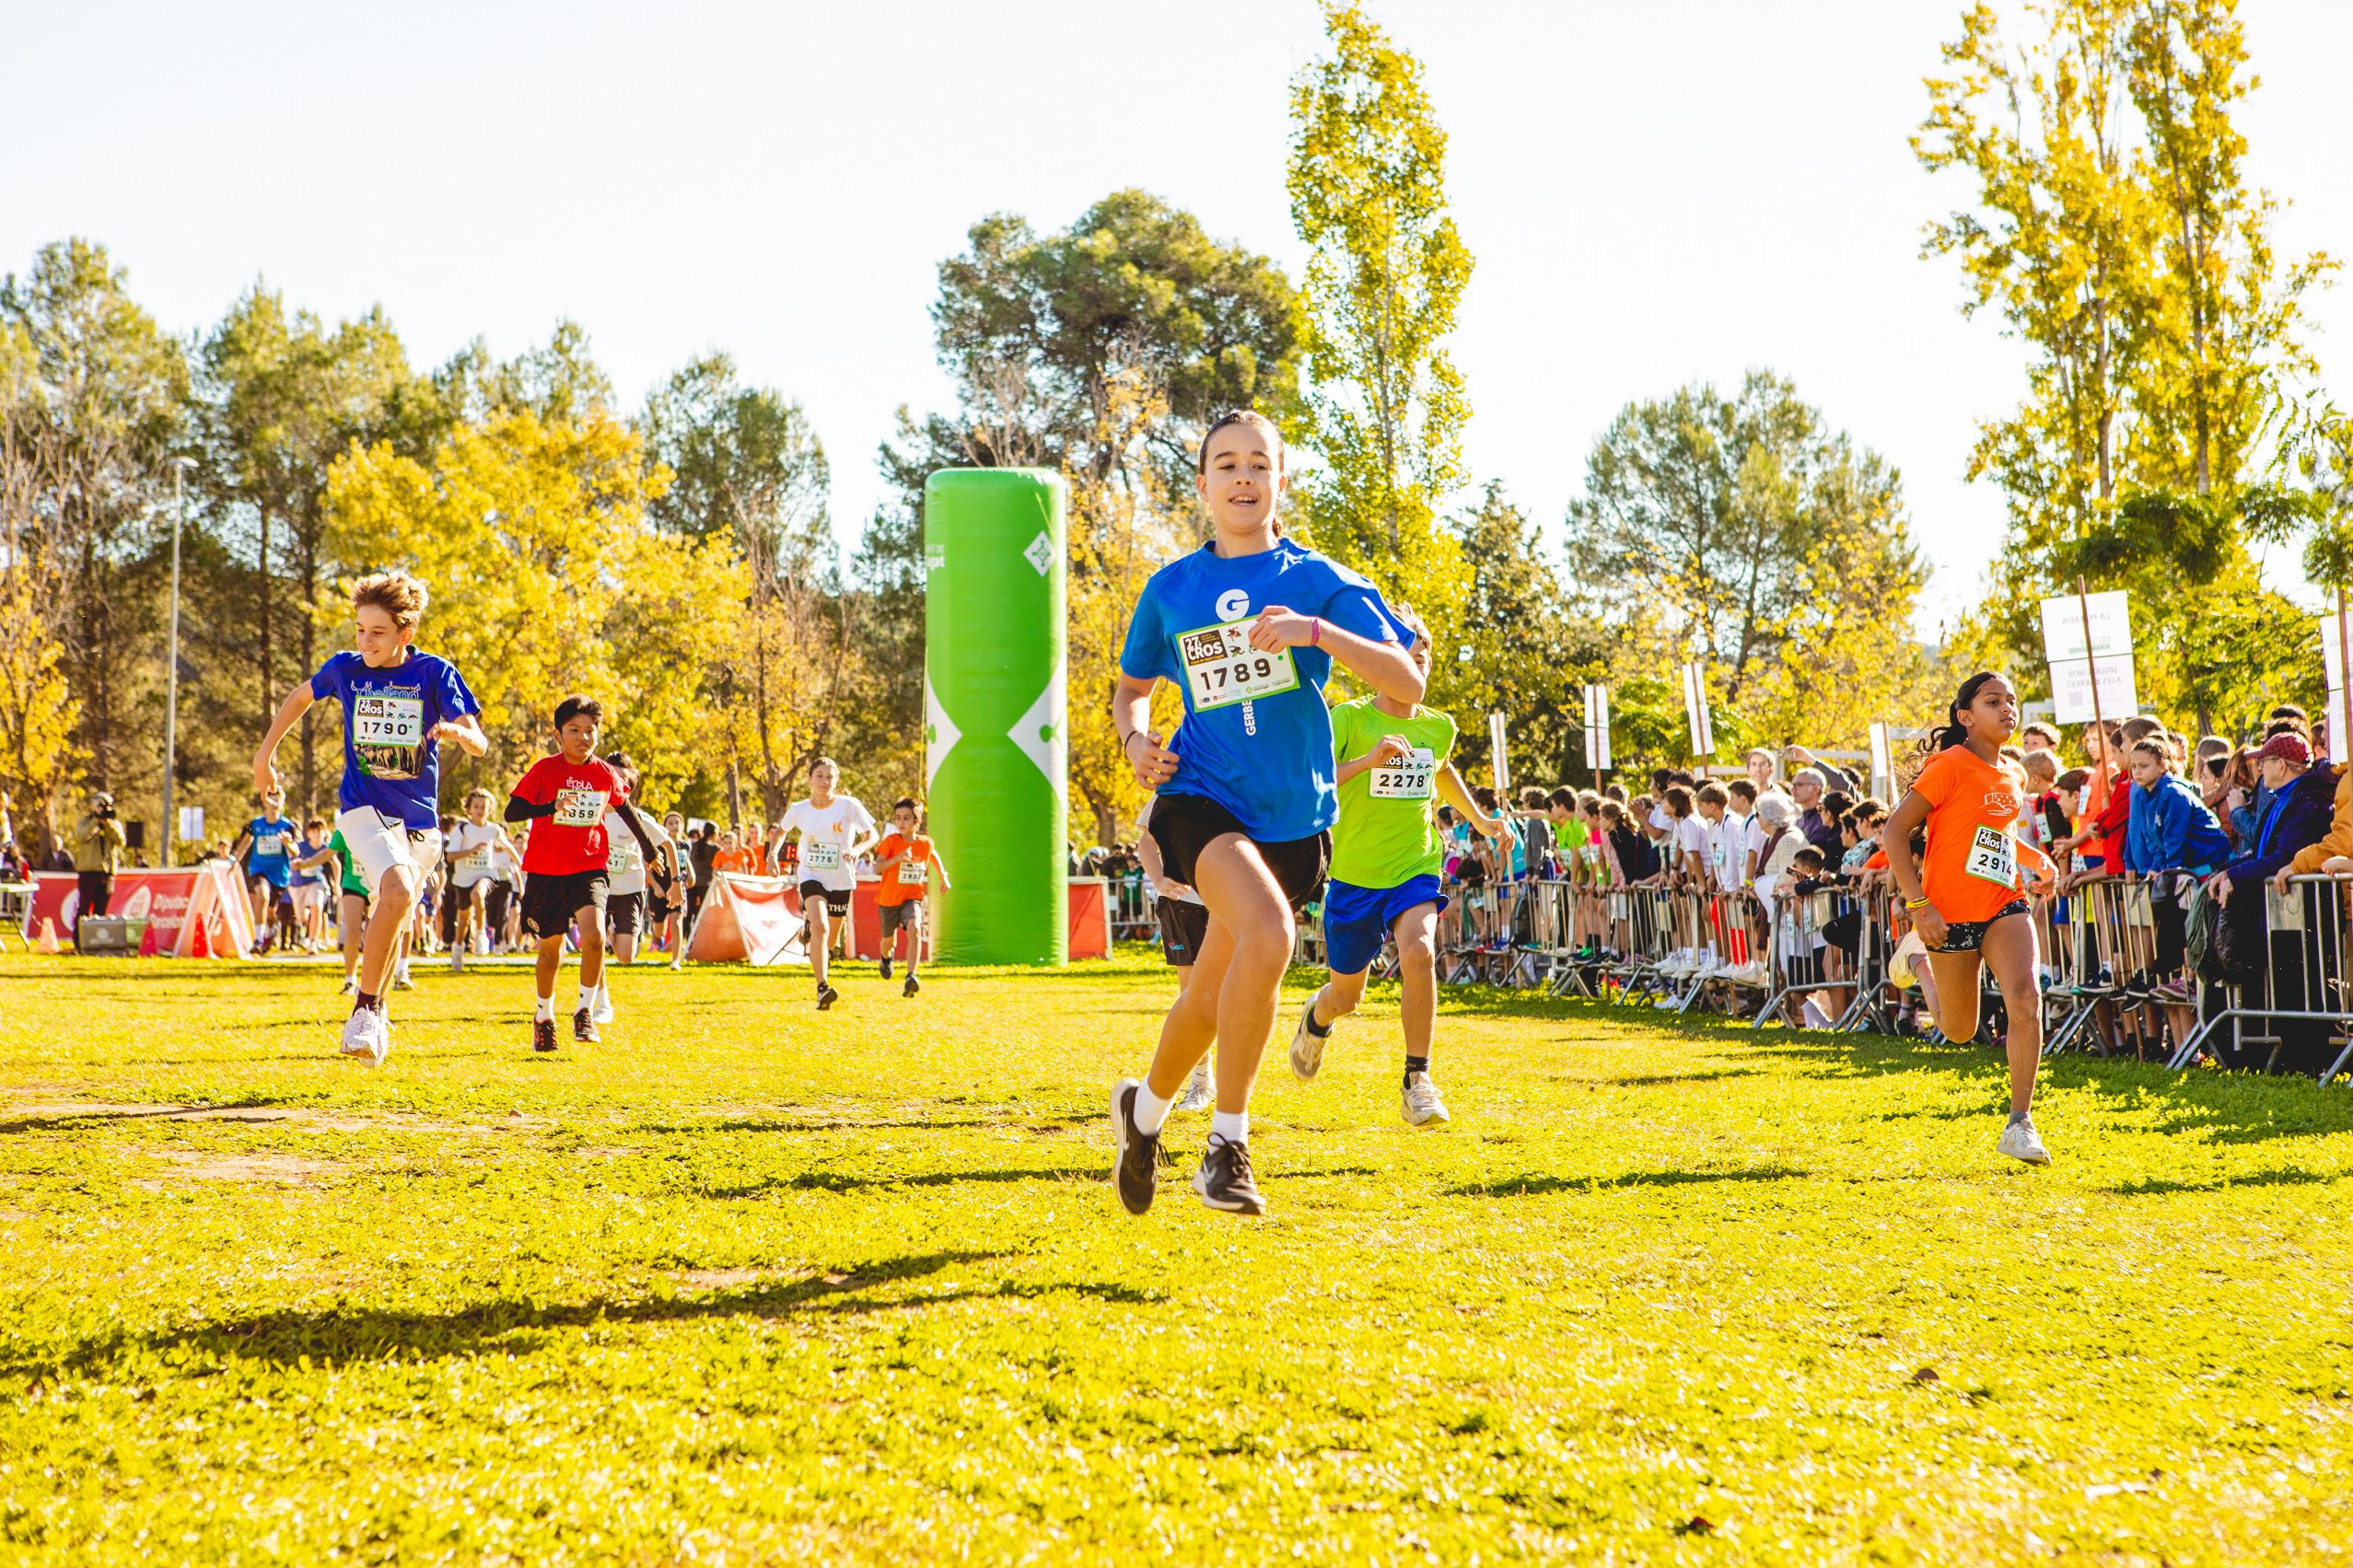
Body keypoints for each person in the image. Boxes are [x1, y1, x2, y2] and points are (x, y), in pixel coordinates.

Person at [1107, 408, 1421, 1218]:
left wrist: (1312, 630)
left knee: (1206, 999)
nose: (1242, 477)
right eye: (1225, 464)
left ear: (1280, 479)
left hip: (1293, 817)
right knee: (1273, 937)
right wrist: (1137, 742)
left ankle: (1141, 1116)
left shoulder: (1319, 579)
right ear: (1204, 483)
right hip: (1198, 795)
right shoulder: (1170, 588)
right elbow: (1132, 689)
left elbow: (1405, 685)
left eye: (1258, 464)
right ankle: (1227, 1144)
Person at [252, 572, 486, 1065]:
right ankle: (363, 1009)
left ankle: (377, 1007)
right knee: (398, 891)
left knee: (397, 911)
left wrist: (459, 735)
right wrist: (264, 756)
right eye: (360, 629)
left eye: (377, 632)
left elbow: (478, 738)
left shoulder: (435, 673)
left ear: (406, 633)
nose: (365, 641)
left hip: (420, 823)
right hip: (362, 810)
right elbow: (299, 698)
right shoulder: (346, 669)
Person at [1288, 607, 1507, 1127]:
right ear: (1382, 663)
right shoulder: (1349, 718)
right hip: (1356, 876)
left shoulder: (1440, 727)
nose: (1419, 671)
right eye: (1409, 659)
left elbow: (1443, 767)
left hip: (1415, 864)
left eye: (1425, 661)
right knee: (1346, 996)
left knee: (1420, 949)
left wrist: (1479, 818)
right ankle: (1316, 1020)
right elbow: (1311, 780)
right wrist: (1367, 762)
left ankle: (1418, 1078)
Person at [1881, 672, 2057, 1166]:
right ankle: (1918, 962)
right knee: (1960, 1029)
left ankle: (2020, 1122)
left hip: (2005, 901)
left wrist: (2034, 859)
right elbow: (1894, 834)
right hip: (1946, 911)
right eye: (1993, 701)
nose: (2007, 709)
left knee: (2026, 996)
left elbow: (1992, 833)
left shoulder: (2015, 772)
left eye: (2011, 701)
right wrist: (1919, 907)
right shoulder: (1948, 765)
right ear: (1966, 716)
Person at [505, 695, 664, 1051]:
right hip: (546, 871)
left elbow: (627, 812)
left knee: (593, 938)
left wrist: (650, 851)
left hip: (589, 866)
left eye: (590, 731)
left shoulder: (604, 773)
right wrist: (551, 806)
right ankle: (544, 1016)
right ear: (558, 735)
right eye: (574, 730)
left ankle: (585, 1011)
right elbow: (512, 812)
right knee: (551, 953)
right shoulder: (545, 770)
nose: (583, 737)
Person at [777, 757, 879, 1011]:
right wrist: (771, 854)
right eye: (819, 775)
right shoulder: (799, 809)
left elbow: (872, 835)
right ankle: (822, 987)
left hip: (841, 878)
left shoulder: (849, 805)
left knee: (830, 941)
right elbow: (781, 830)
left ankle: (809, 931)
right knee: (821, 927)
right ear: (809, 779)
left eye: (829, 776)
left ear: (836, 780)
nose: (824, 781)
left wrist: (857, 849)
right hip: (811, 874)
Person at [1136, 794, 1217, 1113]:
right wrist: (1159, 879)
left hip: (1228, 903)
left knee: (1232, 995)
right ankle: (1201, 1083)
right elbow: (1146, 841)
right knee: (1193, 997)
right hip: (1181, 906)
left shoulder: (1243, 771)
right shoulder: (1175, 784)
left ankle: (1235, 1095)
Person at [598, 752, 681, 992]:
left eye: (622, 778)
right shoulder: (594, 813)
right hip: (596, 888)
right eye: (611, 775)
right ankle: (600, 999)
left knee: (625, 955)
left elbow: (668, 844)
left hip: (629, 888)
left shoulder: (638, 818)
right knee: (594, 944)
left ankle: (615, 933)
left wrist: (676, 882)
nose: (616, 782)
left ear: (630, 786)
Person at [873, 796, 950, 997]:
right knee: (888, 942)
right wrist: (898, 859)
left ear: (917, 822)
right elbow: (877, 868)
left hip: (912, 896)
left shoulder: (924, 843)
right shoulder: (890, 842)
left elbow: (933, 855)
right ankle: (885, 957)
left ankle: (911, 976)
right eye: (898, 818)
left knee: (915, 928)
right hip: (889, 900)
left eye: (906, 818)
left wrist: (943, 876)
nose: (901, 822)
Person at [443, 790, 518, 972]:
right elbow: (450, 857)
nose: (480, 810)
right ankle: (458, 950)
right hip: (463, 878)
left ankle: (481, 935)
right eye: (476, 806)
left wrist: (522, 864)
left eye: (484, 807)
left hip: (486, 874)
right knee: (463, 919)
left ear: (490, 809)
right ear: (468, 808)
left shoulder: (494, 830)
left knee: (478, 894)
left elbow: (508, 847)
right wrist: (473, 850)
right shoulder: (461, 830)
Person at [232, 789, 298, 955]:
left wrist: (286, 843)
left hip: (279, 874)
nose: (274, 803)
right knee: (262, 896)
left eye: (278, 800)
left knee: (271, 912)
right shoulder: (255, 824)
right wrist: (234, 862)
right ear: (264, 803)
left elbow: (296, 851)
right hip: (258, 868)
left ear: (283, 803)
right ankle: (258, 940)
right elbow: (243, 844)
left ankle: (271, 929)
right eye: (271, 800)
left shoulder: (288, 826)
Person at [71, 791, 126, 937]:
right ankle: (79, 940)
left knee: (101, 910)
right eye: (100, 805)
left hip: (107, 872)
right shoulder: (84, 822)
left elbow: (121, 841)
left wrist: (107, 825)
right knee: (84, 908)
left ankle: (97, 940)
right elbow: (81, 836)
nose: (103, 809)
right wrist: (95, 822)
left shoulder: (114, 824)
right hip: (88, 871)